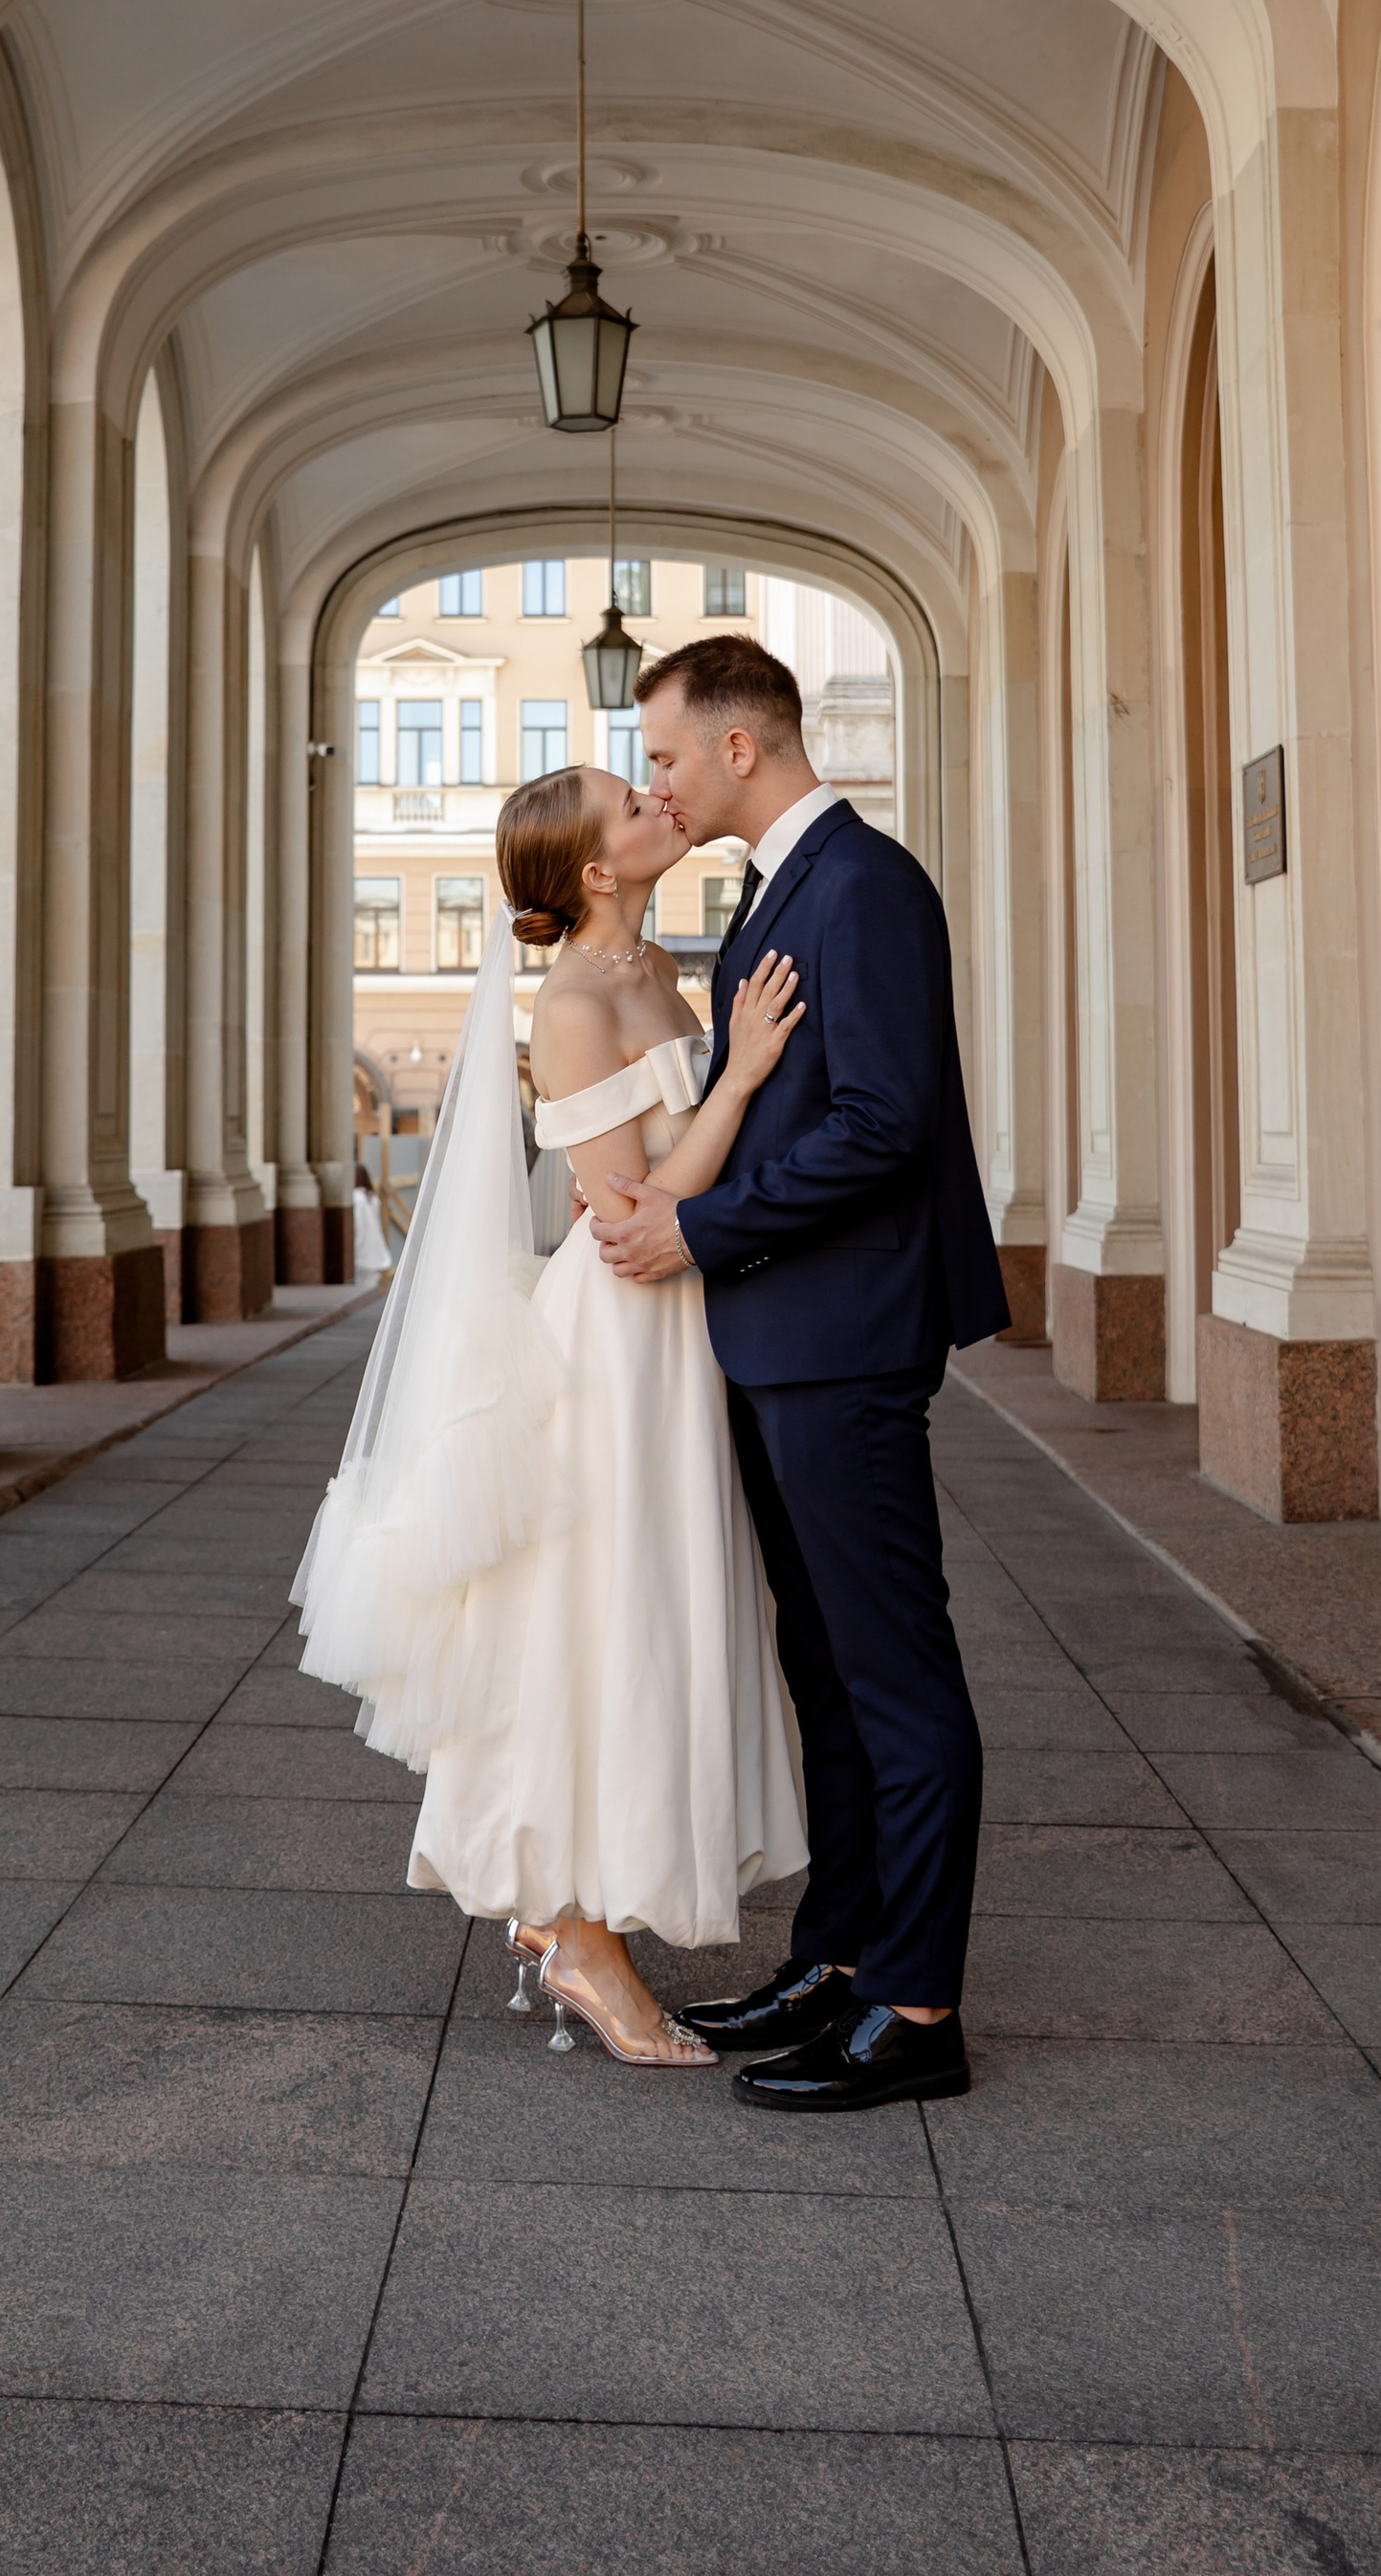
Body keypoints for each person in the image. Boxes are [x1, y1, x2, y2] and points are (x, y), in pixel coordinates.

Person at [294, 758, 809, 2064]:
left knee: (652, 1604)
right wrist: (742, 1077)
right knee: (601, 1609)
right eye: (626, 802)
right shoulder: (577, 1000)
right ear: (592, 870)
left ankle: (582, 1919)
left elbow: (651, 1185)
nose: (653, 796)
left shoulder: (656, 973)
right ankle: (574, 1934)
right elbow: (632, 1208)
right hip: (624, 1329)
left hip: (682, 1321)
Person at [594, 633, 1010, 2114]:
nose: (658, 780)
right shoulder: (780, 887)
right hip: (781, 1340)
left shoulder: (870, 886)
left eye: (665, 754)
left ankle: (915, 2007)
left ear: (742, 748)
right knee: (826, 1677)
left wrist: (700, 1228)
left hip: (843, 1343)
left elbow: (887, 1122)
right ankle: (838, 1961)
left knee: (897, 1681)